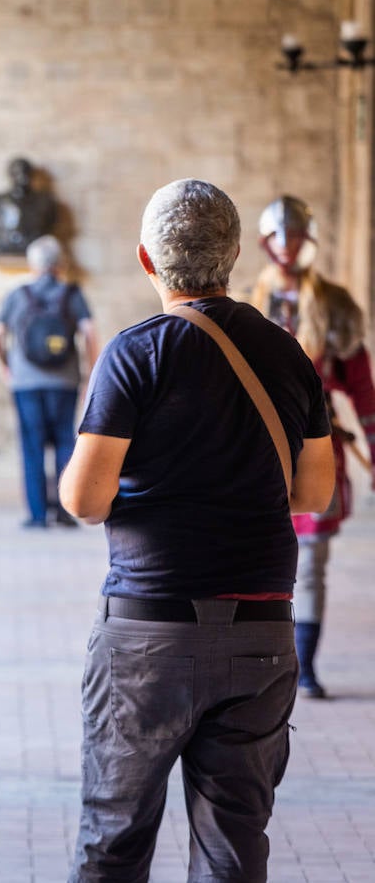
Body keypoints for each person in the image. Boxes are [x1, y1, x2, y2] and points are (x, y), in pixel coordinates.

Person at [61, 179, 335, 882]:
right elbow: (314, 490)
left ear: (148, 262)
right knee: (234, 850)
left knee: (115, 842)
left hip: (151, 633)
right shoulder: (285, 354)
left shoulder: (134, 353)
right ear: (236, 255)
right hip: (262, 633)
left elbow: (84, 499)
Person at [249, 195, 375, 699]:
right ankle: (266, 661)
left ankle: (305, 668)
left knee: (314, 561)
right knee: (261, 555)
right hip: (256, 452)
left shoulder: (333, 306)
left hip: (318, 449)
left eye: (297, 238)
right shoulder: (246, 308)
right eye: (281, 238)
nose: (288, 247)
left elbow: (362, 389)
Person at [0, 234, 98, 528]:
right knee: (66, 442)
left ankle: (37, 515)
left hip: (26, 383)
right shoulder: (72, 294)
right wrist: (90, 373)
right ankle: (66, 511)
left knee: (32, 446)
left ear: (33, 264)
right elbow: (89, 334)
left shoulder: (17, 295)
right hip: (64, 382)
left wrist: (6, 367)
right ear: (59, 264)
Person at [0, 156, 58, 256]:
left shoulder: (44, 201)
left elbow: (50, 222)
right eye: (18, 173)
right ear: (11, 175)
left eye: (26, 173)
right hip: (6, 250)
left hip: (33, 250)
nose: (23, 177)